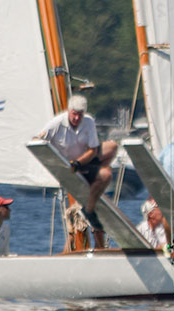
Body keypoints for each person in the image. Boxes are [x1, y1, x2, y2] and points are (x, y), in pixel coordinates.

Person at [37, 94, 117, 246]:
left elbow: (93, 150)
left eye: (80, 115)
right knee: (102, 175)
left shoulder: (88, 122)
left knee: (112, 148)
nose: (76, 118)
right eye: (74, 114)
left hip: (83, 162)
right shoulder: (57, 123)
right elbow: (39, 139)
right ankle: (92, 190)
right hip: (67, 166)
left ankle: (93, 189)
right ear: (69, 111)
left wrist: (79, 163)